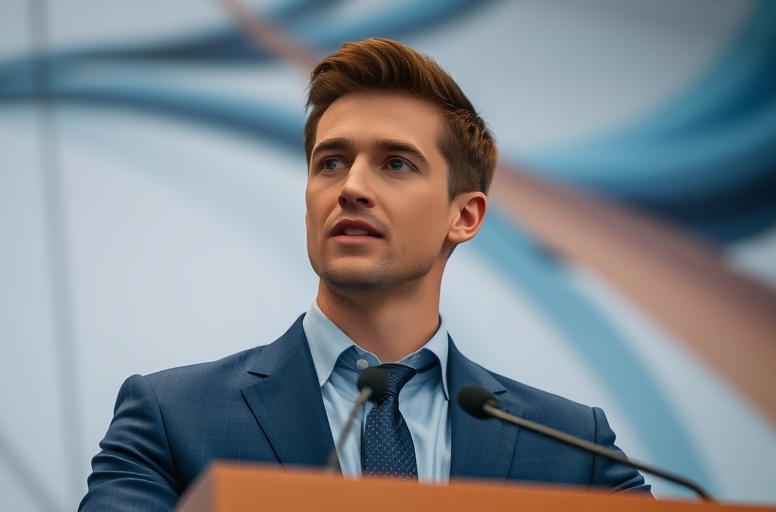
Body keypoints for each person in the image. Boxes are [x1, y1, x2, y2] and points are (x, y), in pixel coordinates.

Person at [78, 38, 649, 511]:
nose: (351, 186)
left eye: (395, 163)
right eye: (331, 162)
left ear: (464, 215)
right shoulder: (170, 416)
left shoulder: (575, 449)